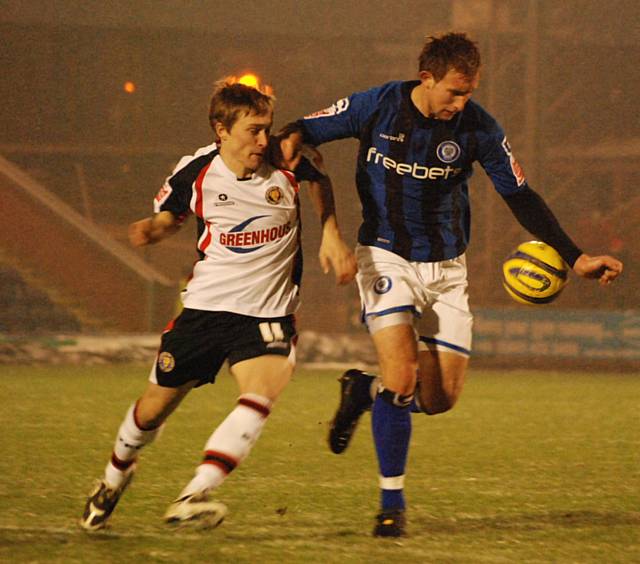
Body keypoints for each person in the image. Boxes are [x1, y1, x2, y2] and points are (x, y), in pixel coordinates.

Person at [276, 32, 623, 537]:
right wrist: (291, 135)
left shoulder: (479, 128)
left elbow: (521, 196)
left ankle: (362, 392)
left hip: (447, 270)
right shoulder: (377, 105)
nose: (460, 103)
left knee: (439, 400)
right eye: (453, 93)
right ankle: (390, 504)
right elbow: (306, 127)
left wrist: (576, 257)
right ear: (426, 79)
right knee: (401, 379)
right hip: (385, 256)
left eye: (468, 93)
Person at [79, 77, 356, 531]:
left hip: (267, 314)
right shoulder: (196, 171)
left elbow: (320, 181)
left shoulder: (283, 160)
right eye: (253, 130)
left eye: (266, 127)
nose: (264, 140)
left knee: (261, 392)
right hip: (205, 311)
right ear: (221, 130)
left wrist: (331, 232)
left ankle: (195, 493)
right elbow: (171, 215)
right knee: (151, 411)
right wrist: (154, 229)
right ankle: (113, 478)